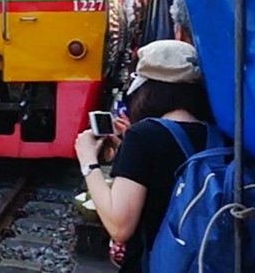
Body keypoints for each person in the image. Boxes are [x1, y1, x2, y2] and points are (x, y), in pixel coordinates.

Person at [75, 40, 214, 273]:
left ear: (147, 89)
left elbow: (119, 226)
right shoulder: (218, 134)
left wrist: (88, 161)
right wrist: (125, 154)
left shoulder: (143, 136)